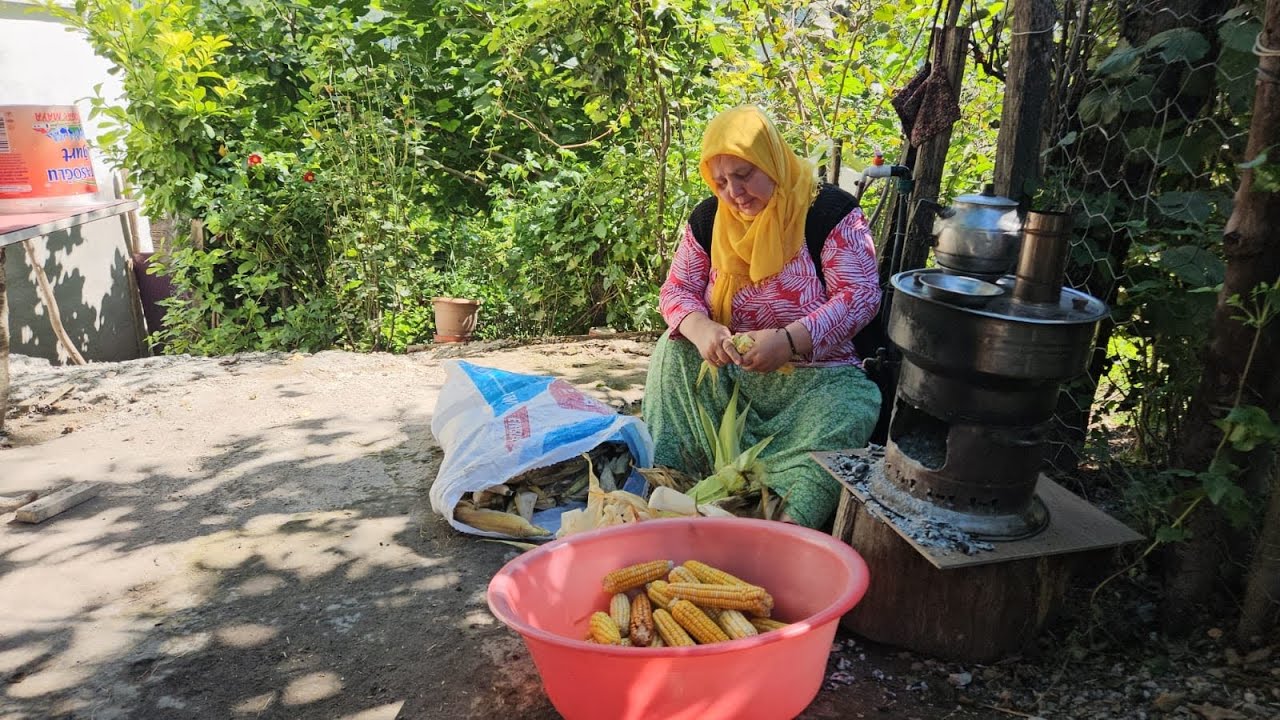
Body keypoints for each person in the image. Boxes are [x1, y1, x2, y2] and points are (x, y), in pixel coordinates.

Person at [641, 105, 882, 529]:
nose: (734, 192)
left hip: (816, 382)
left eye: (744, 174)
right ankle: (677, 490)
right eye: (720, 182)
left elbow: (859, 295)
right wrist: (702, 329)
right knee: (673, 350)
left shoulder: (829, 213)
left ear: (771, 160)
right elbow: (676, 291)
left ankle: (781, 521)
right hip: (732, 373)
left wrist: (789, 341)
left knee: (854, 408)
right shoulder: (708, 221)